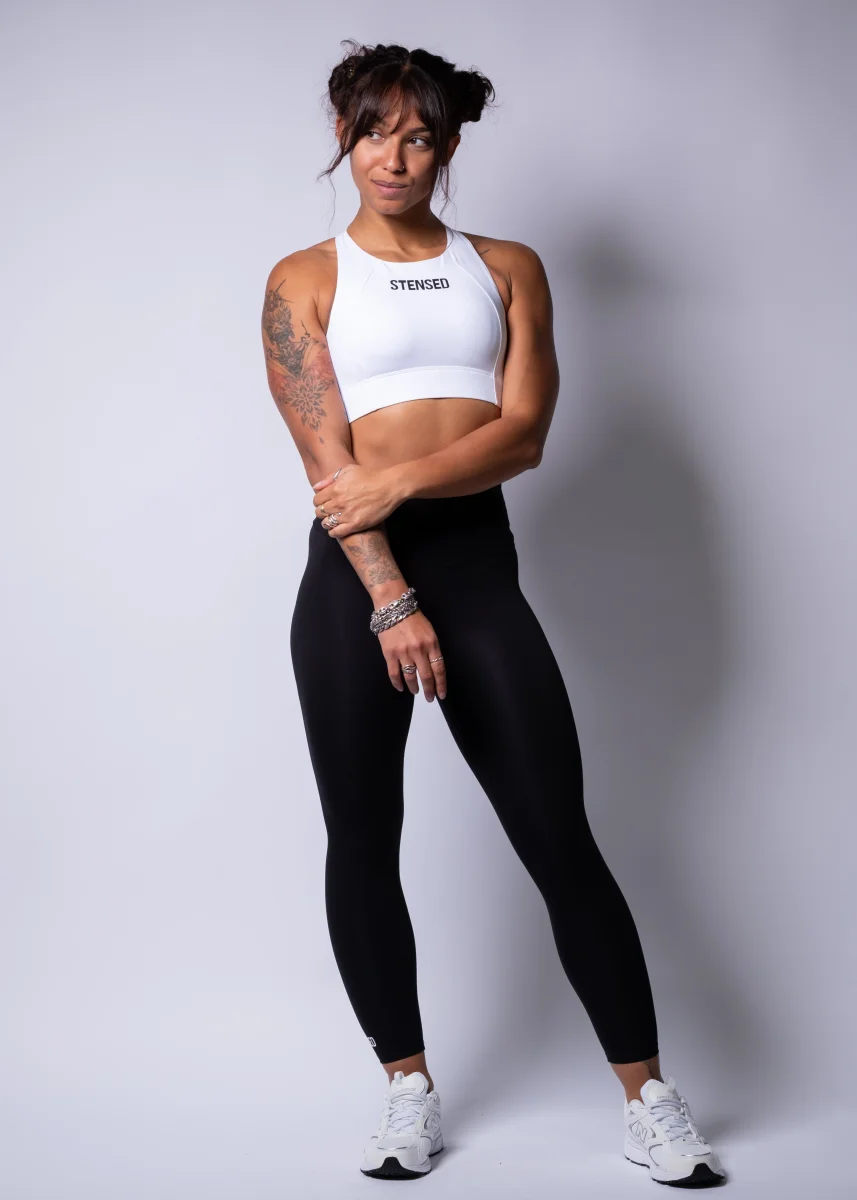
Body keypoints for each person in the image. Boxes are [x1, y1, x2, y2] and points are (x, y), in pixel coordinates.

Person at [260, 39, 726, 1188]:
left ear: (449, 145)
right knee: (363, 838)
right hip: (354, 579)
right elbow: (329, 471)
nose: (393, 157)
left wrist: (401, 481)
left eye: (418, 137)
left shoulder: (505, 268)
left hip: (475, 567)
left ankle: (648, 1100)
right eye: (372, 132)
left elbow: (522, 436)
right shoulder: (303, 279)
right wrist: (388, 598)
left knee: (557, 835)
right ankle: (405, 1088)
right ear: (342, 135)